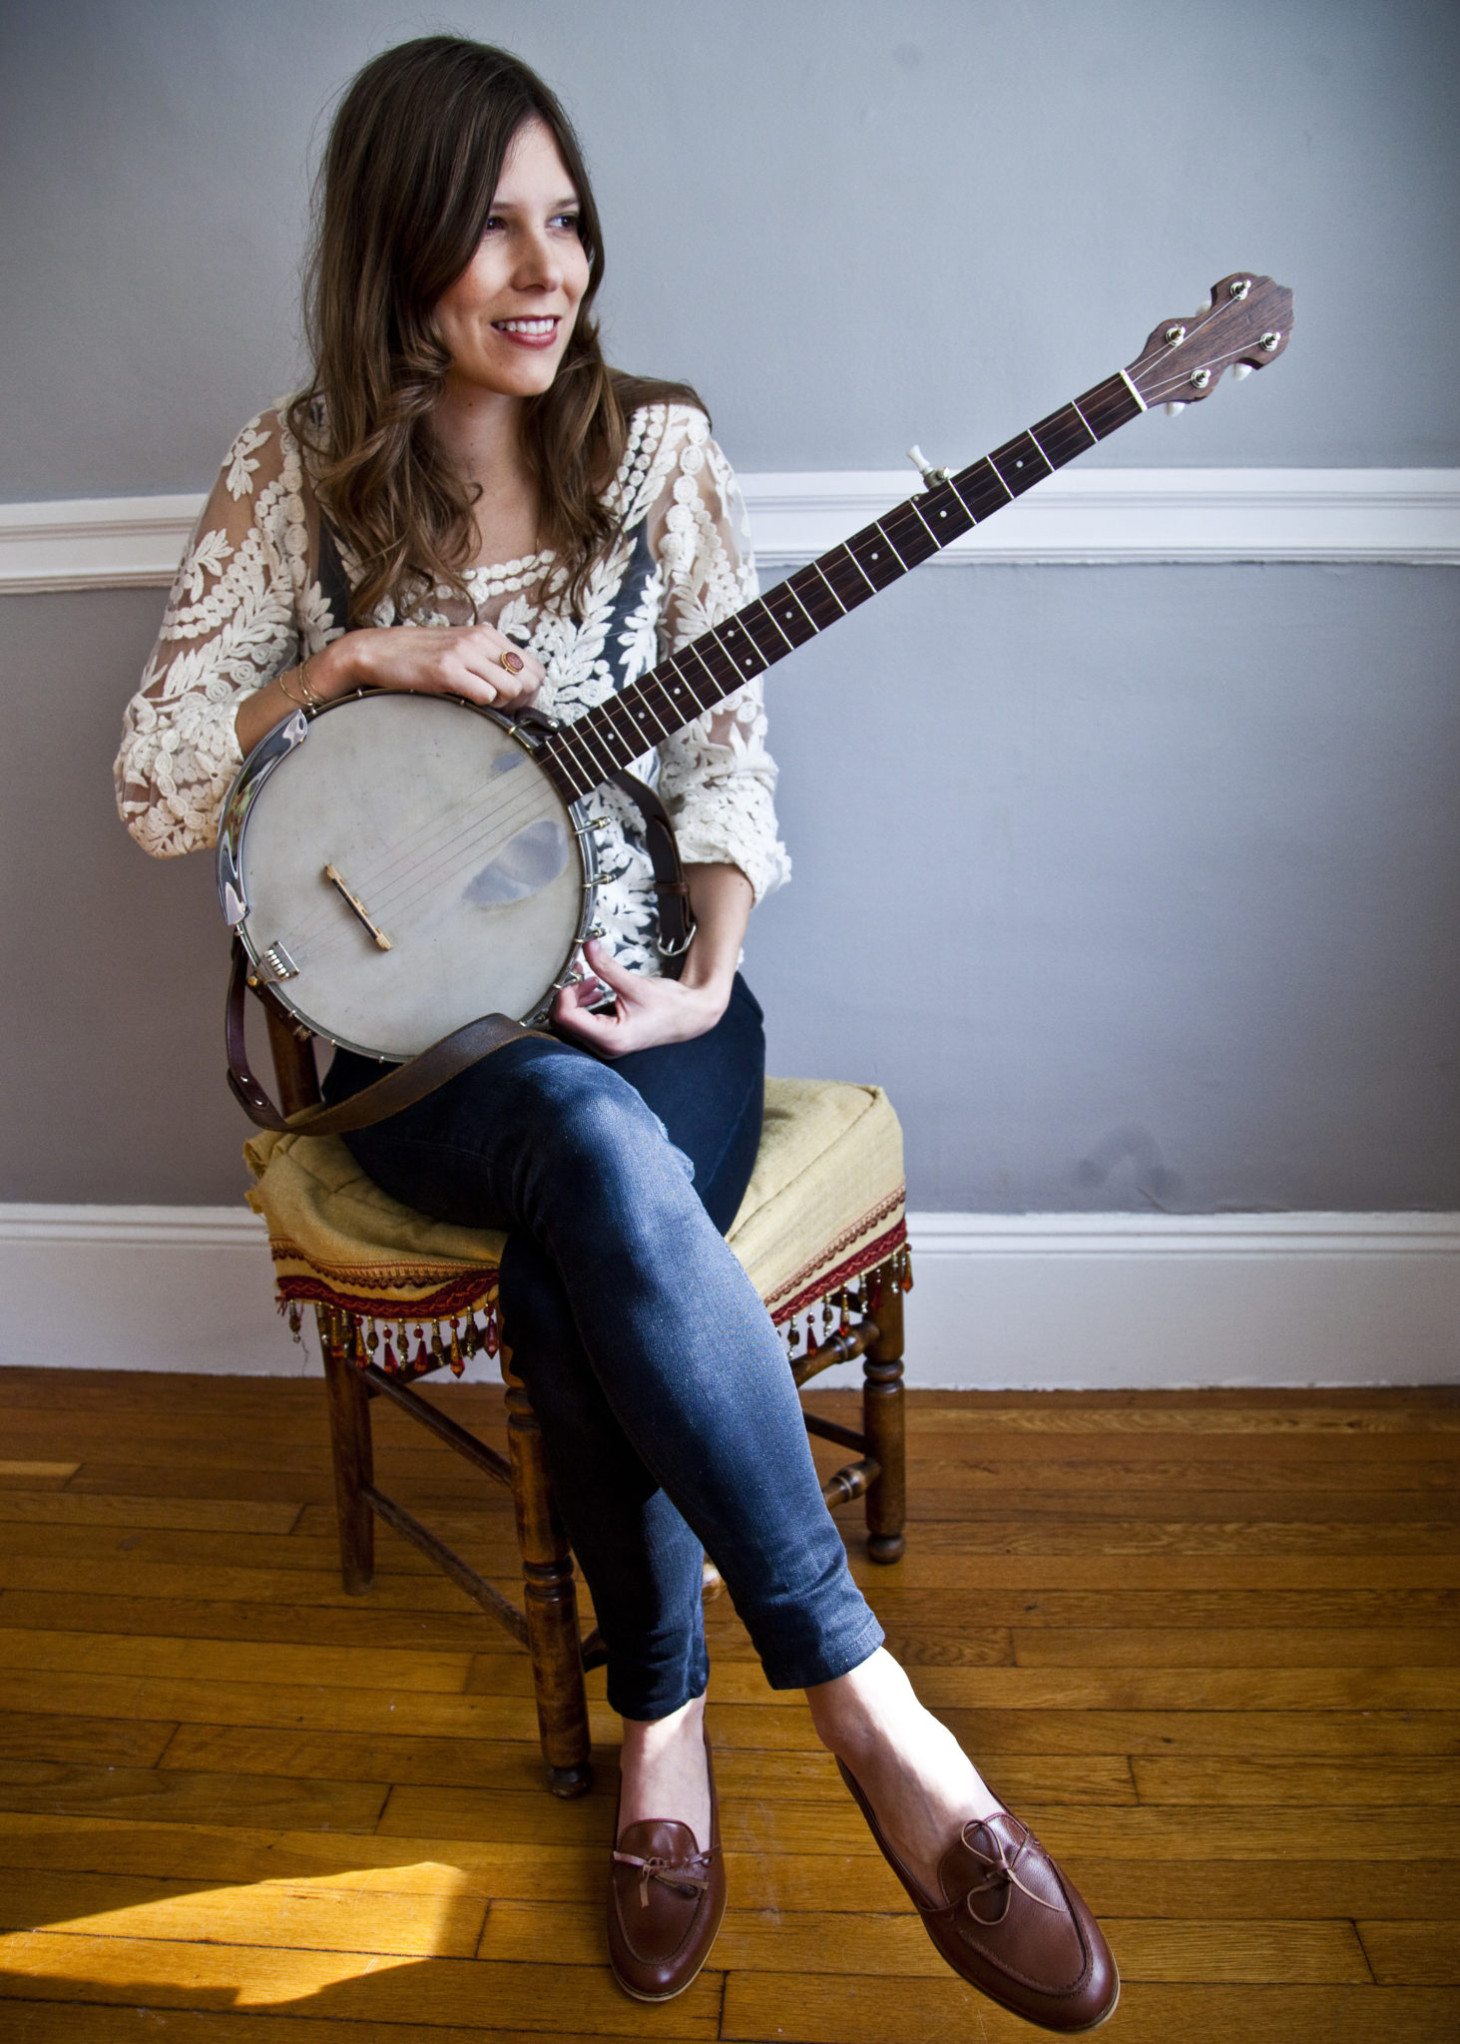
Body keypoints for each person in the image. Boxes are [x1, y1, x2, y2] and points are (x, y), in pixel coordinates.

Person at [115, 36, 1117, 2031]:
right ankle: (876, 1712)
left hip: (655, 1017)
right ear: (392, 243)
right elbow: (156, 784)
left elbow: (731, 759)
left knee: (592, 1168)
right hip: (417, 1072)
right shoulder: (292, 468)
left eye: (565, 217)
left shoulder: (653, 452)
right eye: (488, 220)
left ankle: (664, 1724)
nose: (541, 264)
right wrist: (350, 655)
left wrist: (709, 969)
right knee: (567, 1147)